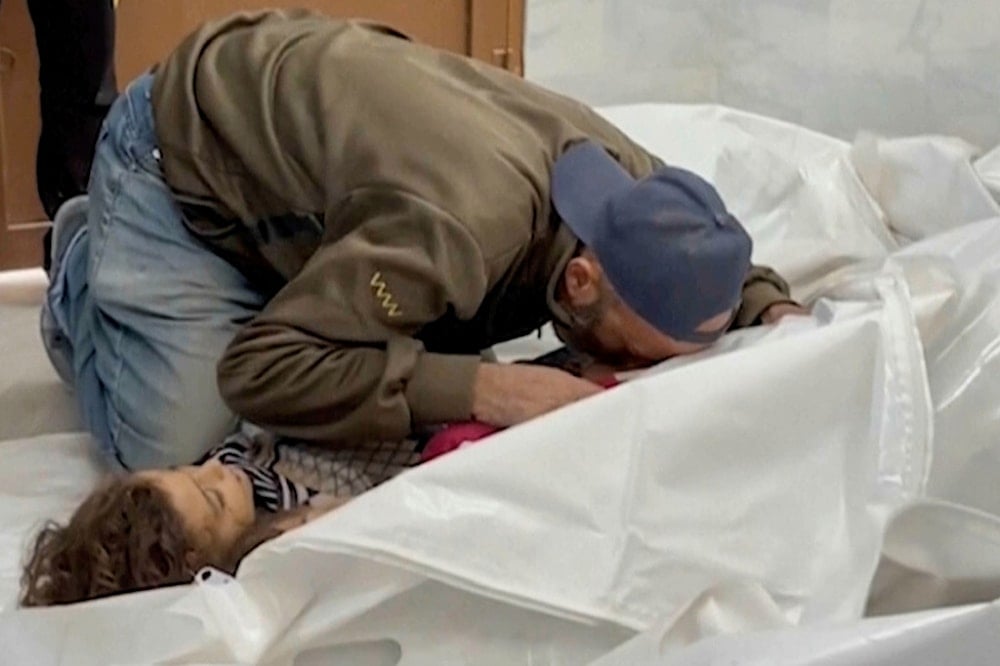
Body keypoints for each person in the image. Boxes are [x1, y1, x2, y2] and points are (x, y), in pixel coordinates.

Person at [41, 9, 806, 472]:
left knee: (401, 334)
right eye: (633, 356)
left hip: (312, 159)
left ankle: (304, 278)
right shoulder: (459, 231)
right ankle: (83, 264)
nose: (629, 374)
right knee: (176, 442)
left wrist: (775, 314)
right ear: (580, 282)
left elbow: (719, 274)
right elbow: (260, 368)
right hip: (179, 155)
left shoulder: (631, 191)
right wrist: (487, 387)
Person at [19, 431, 344, 607]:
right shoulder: (278, 545)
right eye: (215, 500)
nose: (215, 467)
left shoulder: (232, 478)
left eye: (182, 469)